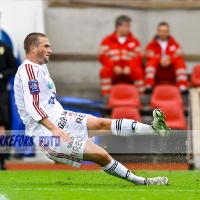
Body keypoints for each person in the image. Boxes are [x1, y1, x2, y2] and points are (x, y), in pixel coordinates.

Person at [14, 33, 170, 186]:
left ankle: (154, 129)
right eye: (46, 46)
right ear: (33, 48)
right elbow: (32, 106)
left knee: (101, 123)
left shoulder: (40, 67)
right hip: (46, 133)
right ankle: (142, 182)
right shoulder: (28, 71)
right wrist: (55, 129)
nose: (50, 50)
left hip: (61, 117)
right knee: (100, 155)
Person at [99, 15, 144, 97]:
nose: (129, 28)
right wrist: (113, 67)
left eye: (129, 26)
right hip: (114, 71)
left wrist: (130, 67)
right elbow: (103, 57)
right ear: (118, 26)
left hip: (129, 71)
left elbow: (138, 57)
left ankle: (140, 98)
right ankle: (106, 98)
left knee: (138, 71)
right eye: (126, 26)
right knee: (105, 71)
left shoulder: (134, 41)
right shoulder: (107, 40)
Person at [145, 22, 188, 93]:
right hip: (158, 71)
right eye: (161, 31)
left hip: (170, 71)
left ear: (168, 32)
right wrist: (159, 60)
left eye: (165, 31)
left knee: (180, 62)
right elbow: (149, 56)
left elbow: (179, 55)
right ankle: (149, 85)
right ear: (157, 32)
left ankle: (182, 86)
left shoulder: (175, 44)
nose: (163, 33)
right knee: (151, 62)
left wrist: (170, 60)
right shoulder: (151, 45)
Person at [0, 40, 17, 170]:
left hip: (1, 92)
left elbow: (13, 67)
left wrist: (2, 75)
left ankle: (2, 160)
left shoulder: (5, 47)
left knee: (1, 126)